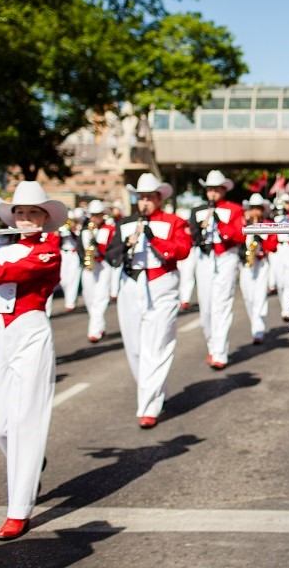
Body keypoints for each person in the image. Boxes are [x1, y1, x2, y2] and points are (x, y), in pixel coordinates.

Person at [0, 181, 66, 540]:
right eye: (19, 212)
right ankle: (30, 464)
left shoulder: (51, 250)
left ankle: (18, 509)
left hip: (30, 330)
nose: (24, 218)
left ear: (45, 218)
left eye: (32, 213)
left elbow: (4, 276)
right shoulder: (3, 249)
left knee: (25, 418)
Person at [105, 173, 191, 428]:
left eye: (149, 198)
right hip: (131, 284)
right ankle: (152, 392)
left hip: (161, 284)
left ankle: (149, 406)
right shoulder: (125, 224)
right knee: (134, 347)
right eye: (141, 198)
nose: (144, 202)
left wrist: (154, 238)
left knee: (158, 343)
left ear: (159, 198)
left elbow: (182, 250)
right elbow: (110, 255)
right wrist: (126, 245)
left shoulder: (173, 221)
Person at [188, 170, 245, 370]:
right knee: (206, 308)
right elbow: (192, 236)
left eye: (216, 189)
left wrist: (220, 224)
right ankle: (213, 346)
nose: (212, 193)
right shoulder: (197, 211)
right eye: (209, 189)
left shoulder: (234, 209)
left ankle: (220, 352)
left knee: (222, 304)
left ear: (223, 190)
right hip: (204, 258)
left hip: (225, 257)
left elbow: (239, 235)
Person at [239, 194, 279, 344]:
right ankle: (255, 324)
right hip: (246, 265)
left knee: (260, 296)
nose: (255, 211)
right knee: (248, 297)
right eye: (252, 208)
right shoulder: (243, 223)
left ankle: (258, 330)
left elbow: (273, 246)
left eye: (258, 208)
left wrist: (260, 236)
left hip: (262, 264)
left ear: (263, 210)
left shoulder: (269, 225)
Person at [79, 199, 115, 342]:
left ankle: (94, 332)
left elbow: (111, 249)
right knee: (89, 299)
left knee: (100, 298)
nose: (95, 218)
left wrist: (98, 247)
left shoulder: (109, 229)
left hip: (103, 266)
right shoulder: (85, 230)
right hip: (89, 267)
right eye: (93, 215)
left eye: (98, 215)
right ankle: (100, 327)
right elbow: (80, 249)